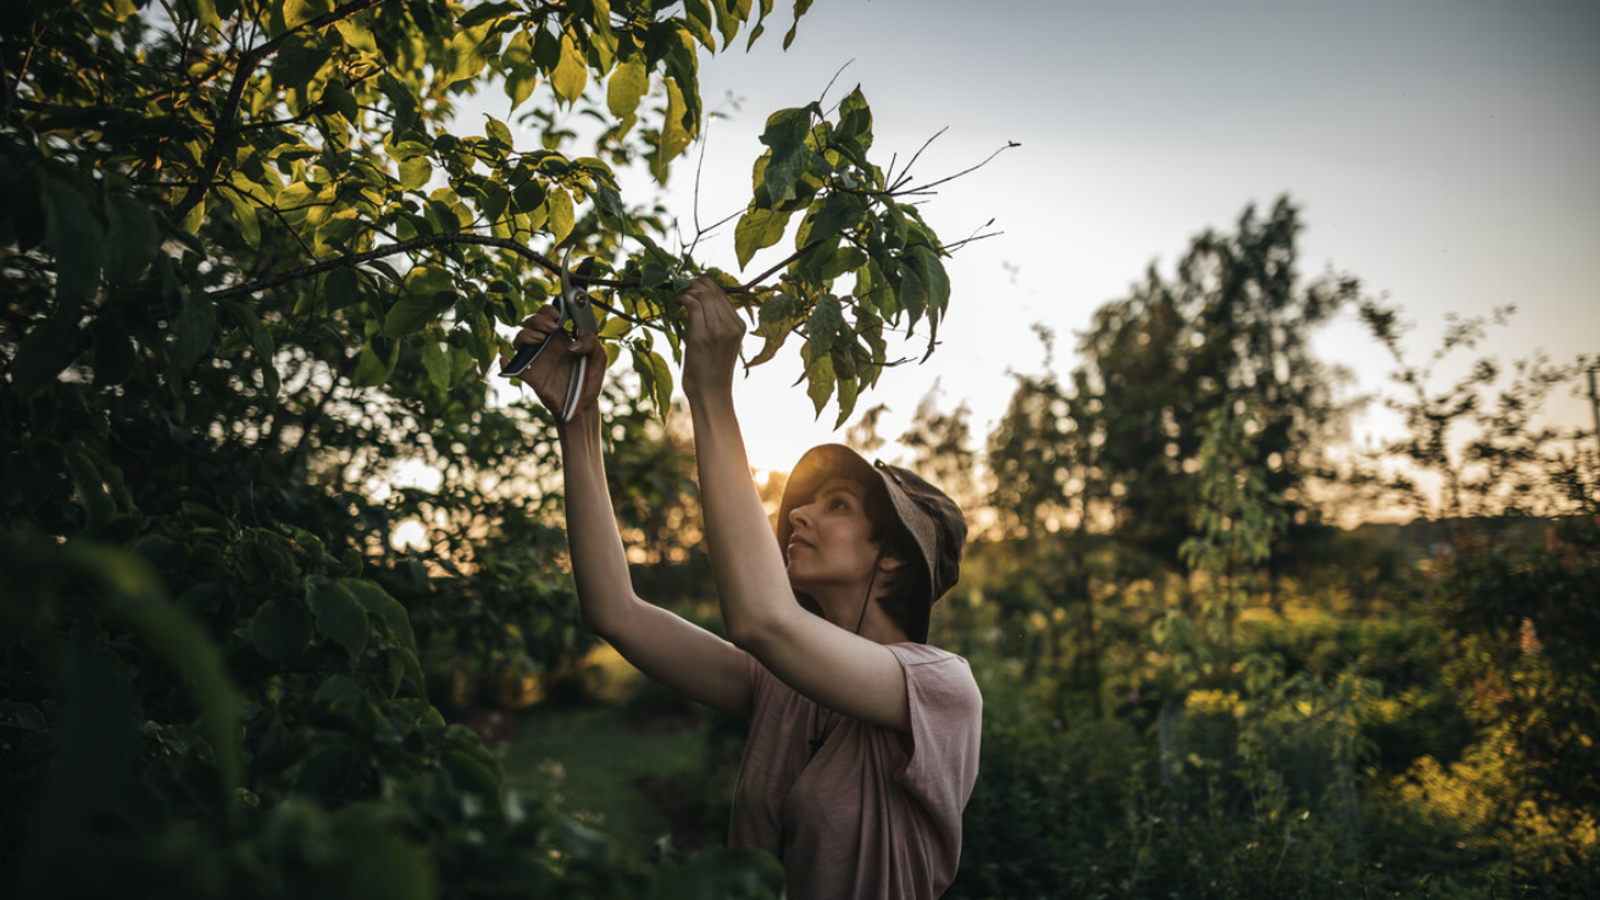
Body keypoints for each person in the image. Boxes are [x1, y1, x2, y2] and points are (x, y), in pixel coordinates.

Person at [505, 275, 982, 899]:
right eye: (805, 503)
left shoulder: (940, 689)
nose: (800, 514)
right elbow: (615, 612)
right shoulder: (782, 688)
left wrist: (709, 390)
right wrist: (579, 418)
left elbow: (762, 619)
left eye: (837, 505)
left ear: (892, 558)